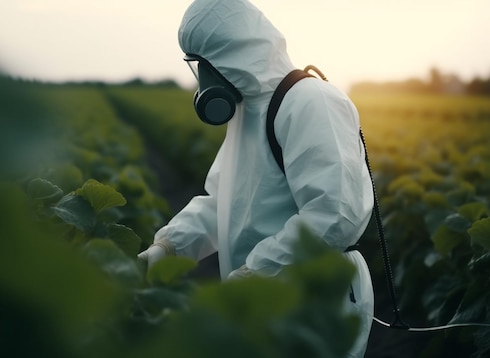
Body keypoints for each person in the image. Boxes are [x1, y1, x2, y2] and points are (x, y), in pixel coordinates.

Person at [138, 0, 374, 356]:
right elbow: (223, 203)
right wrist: (167, 247)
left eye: (206, 63)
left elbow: (333, 215)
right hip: (264, 299)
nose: (204, 77)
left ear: (233, 53)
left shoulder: (310, 102)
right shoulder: (248, 112)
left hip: (315, 299)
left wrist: (257, 273)